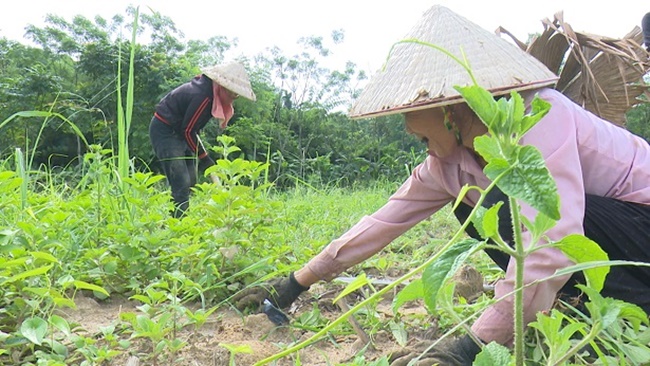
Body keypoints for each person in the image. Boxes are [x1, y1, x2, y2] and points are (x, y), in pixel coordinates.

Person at [233, 6, 650, 365]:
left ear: (449, 108)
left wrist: (470, 348)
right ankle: (580, 310)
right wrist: (294, 284)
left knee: (512, 210)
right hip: (607, 234)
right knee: (478, 206)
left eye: (413, 114)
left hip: (641, 226)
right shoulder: (448, 163)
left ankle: (635, 312)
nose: (411, 129)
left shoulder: (538, 116)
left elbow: (555, 242)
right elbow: (382, 223)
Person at [149, 62, 256, 218]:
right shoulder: (202, 96)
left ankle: (180, 217)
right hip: (165, 130)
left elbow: (191, 129)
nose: (233, 98)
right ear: (222, 87)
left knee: (191, 180)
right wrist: (205, 159)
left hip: (181, 132)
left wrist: (204, 157)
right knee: (181, 181)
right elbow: (188, 130)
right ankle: (178, 227)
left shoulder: (211, 93)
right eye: (232, 94)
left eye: (236, 95)